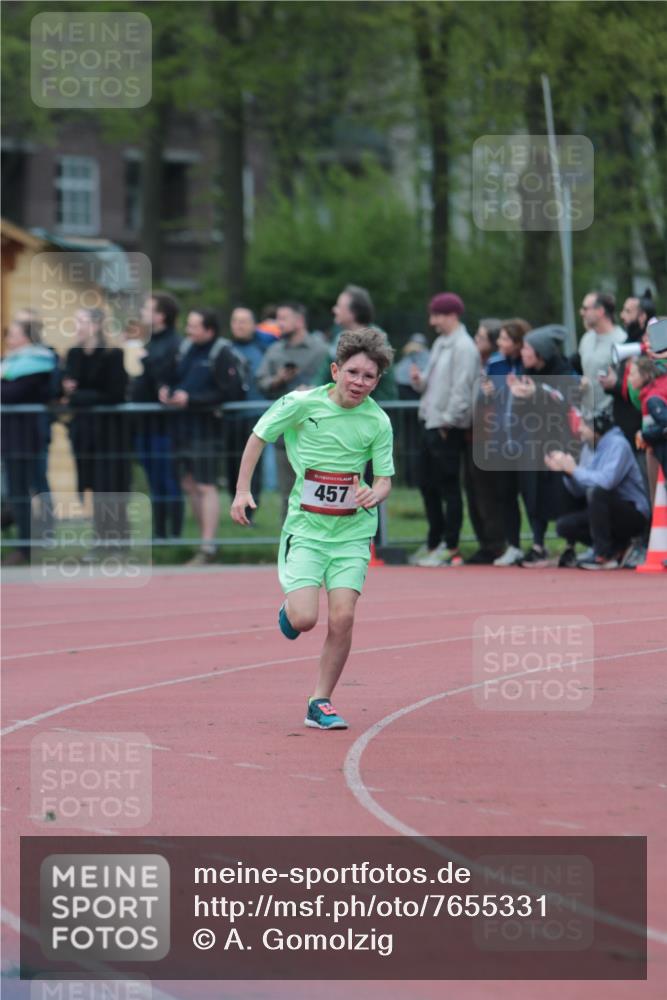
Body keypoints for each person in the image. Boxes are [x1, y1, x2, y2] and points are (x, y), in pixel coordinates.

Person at [230, 328, 395, 730]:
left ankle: (320, 701)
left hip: (353, 534)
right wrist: (241, 491)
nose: (359, 383)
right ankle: (290, 612)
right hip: (305, 531)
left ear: (378, 381)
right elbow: (258, 437)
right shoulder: (301, 403)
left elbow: (385, 479)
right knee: (305, 619)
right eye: (353, 372)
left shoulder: (378, 421)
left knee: (343, 618)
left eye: (369, 377)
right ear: (336, 370)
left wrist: (375, 494)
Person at [160, 308, 245, 566]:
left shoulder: (222, 353)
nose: (188, 330)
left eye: (194, 326)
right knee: (189, 484)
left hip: (207, 429)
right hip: (182, 427)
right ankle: (204, 542)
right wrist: (165, 389)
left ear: (209, 329)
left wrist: (192, 400)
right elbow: (172, 376)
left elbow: (230, 393)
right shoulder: (185, 350)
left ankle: (209, 545)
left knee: (206, 484)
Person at [409, 292, 479, 567]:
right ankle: (434, 542)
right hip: (430, 420)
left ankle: (450, 545)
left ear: (451, 315)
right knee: (427, 485)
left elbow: (462, 389)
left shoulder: (464, 347)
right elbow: (431, 383)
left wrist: (449, 421)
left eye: (437, 315)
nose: (432, 321)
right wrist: (419, 382)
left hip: (446, 426)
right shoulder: (441, 343)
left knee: (448, 487)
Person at [505, 325, 581, 567]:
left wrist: (535, 392)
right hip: (533, 443)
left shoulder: (564, 371)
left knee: (563, 493)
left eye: (528, 347)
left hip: (562, 441)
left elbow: (563, 400)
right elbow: (522, 412)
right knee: (532, 492)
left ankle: (570, 546)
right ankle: (538, 545)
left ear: (542, 352)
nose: (523, 352)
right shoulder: (527, 373)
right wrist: (518, 396)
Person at [62, 308, 131, 557]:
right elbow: (67, 389)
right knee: (93, 487)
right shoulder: (74, 354)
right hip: (84, 432)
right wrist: (70, 391)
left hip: (110, 432)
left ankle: (119, 542)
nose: (77, 326)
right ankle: (100, 542)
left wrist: (78, 394)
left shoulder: (112, 355)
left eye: (81, 321)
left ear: (96, 325)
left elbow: (115, 393)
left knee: (111, 486)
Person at [546, 410, 650, 570]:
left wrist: (574, 470)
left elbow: (606, 482)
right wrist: (565, 472)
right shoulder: (589, 448)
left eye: (583, 425)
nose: (578, 429)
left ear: (597, 429)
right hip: (606, 510)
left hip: (633, 513)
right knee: (563, 526)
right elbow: (580, 490)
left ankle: (604, 555)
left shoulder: (618, 444)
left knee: (597, 492)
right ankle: (617, 547)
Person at [257, 303, 330, 520]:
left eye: (283, 318)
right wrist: (278, 379)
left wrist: (313, 391)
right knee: (288, 495)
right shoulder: (274, 351)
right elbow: (261, 382)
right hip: (285, 432)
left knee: (319, 492)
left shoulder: (322, 350)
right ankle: (288, 551)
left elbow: (336, 383)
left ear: (299, 321)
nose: (279, 323)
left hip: (317, 432)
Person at [476, 318, 531, 567]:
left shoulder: (528, 363)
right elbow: (486, 395)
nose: (500, 343)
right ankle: (514, 545)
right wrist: (485, 393)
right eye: (499, 339)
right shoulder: (495, 363)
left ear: (519, 342)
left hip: (527, 439)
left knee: (530, 494)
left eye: (505, 339)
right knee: (505, 495)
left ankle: (539, 542)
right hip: (501, 439)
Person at [1, 318, 56, 564]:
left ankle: (31, 545)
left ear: (26, 337)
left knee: (32, 489)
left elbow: (12, 395)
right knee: (16, 492)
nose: (8, 339)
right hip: (11, 436)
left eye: (12, 334)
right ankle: (25, 544)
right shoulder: (11, 363)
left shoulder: (37, 363)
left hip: (27, 436)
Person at [131, 292, 184, 541]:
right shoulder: (151, 342)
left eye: (147, 309)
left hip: (165, 426)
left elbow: (166, 378)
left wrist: (146, 362)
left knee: (167, 479)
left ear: (161, 315)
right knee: (154, 480)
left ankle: (173, 534)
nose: (142, 314)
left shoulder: (175, 344)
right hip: (144, 423)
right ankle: (159, 532)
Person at [225, 306, 275, 517]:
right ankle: (234, 502)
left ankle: (251, 509)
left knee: (254, 464)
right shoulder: (225, 349)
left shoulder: (265, 348)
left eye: (244, 321)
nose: (239, 325)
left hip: (256, 415)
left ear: (254, 324)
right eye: (236, 321)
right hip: (230, 415)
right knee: (231, 463)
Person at [464, 318, 505, 564]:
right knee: (473, 491)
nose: (475, 341)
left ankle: (495, 543)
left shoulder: (496, 365)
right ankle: (485, 542)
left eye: (480, 337)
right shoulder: (474, 363)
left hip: (489, 437)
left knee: (488, 492)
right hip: (471, 433)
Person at [575, 291, 626, 415]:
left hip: (611, 419)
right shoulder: (586, 338)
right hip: (587, 417)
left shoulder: (622, 340)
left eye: (586, 308)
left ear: (600, 311)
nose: (582, 312)